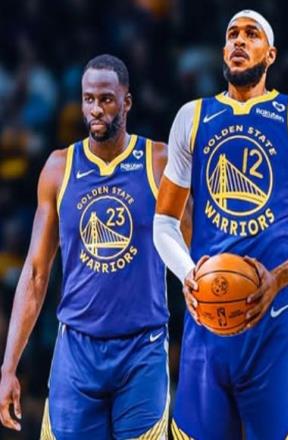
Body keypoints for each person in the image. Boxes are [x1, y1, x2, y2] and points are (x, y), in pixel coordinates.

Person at [153, 9, 288, 440]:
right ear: (224, 51)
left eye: (251, 34)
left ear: (270, 54)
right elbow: (164, 221)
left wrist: (279, 277)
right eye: (232, 34)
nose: (239, 41)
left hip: (274, 328)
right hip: (206, 328)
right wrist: (189, 274)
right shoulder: (192, 117)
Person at [0, 54, 170, 439]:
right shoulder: (59, 168)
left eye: (106, 99)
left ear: (127, 102)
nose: (96, 109)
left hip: (142, 348)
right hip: (77, 349)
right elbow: (36, 272)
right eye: (88, 99)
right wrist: (8, 367)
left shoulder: (158, 161)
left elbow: (195, 256)